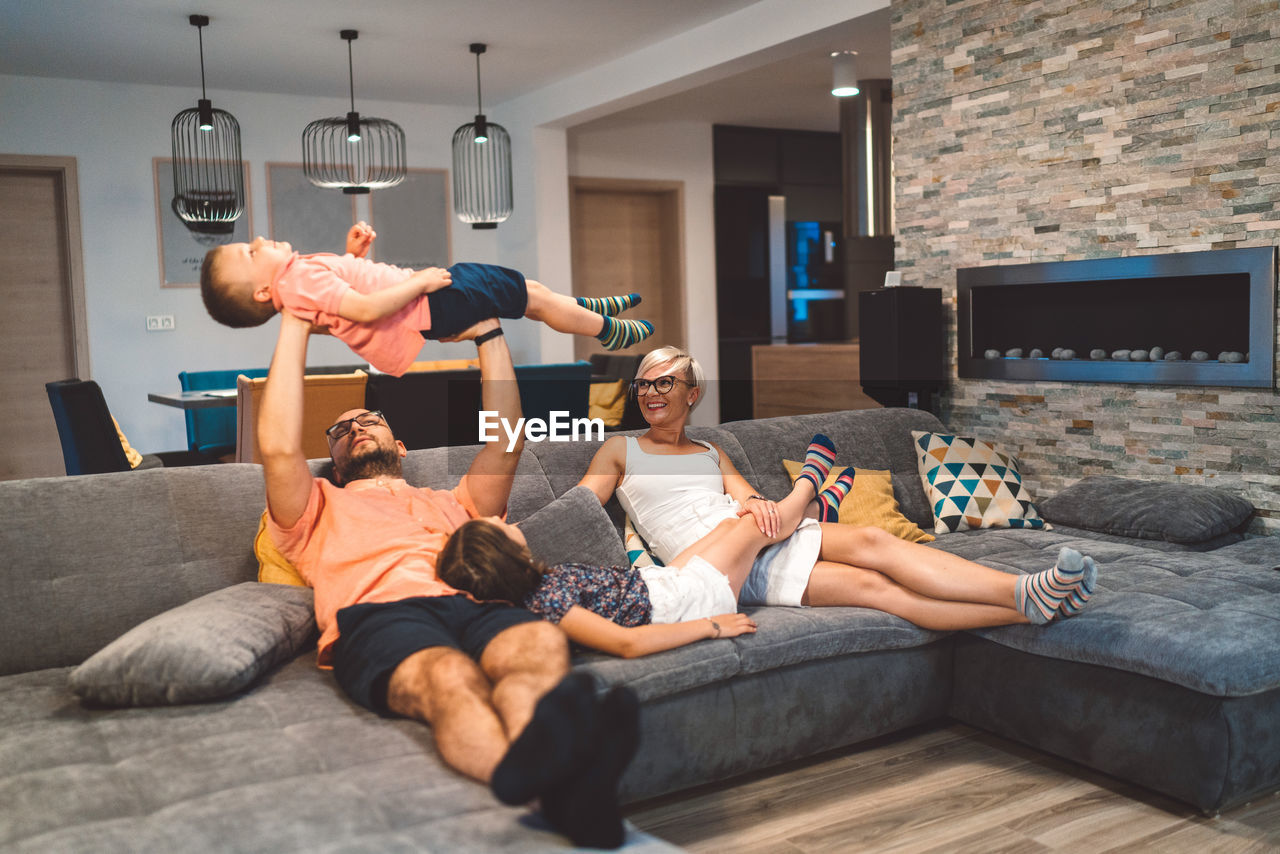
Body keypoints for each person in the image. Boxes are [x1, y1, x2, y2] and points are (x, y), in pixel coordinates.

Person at [255, 309, 636, 849]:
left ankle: (552, 779)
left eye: (368, 419)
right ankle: (556, 792)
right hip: (381, 616)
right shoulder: (313, 507)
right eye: (340, 430)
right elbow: (276, 446)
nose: (355, 428)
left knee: (537, 643)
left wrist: (489, 334)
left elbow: (508, 440)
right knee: (450, 679)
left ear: (401, 445)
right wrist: (295, 325)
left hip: (475, 605)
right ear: (334, 462)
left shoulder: (454, 501)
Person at [576, 346, 1099, 631]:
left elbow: (746, 499)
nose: (649, 393)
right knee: (879, 593)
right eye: (643, 383)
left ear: (692, 395)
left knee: (874, 542)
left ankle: (1025, 599)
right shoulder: (621, 450)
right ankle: (811, 484)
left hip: (756, 528)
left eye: (663, 383)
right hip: (723, 562)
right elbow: (578, 510)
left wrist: (757, 503)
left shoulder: (711, 451)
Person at [436, 431, 859, 657]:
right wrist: (712, 627)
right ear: (507, 556)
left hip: (664, 583)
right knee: (750, 525)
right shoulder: (549, 599)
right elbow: (627, 643)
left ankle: (811, 510)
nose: (502, 521)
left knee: (738, 519)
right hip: (684, 598)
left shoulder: (544, 583)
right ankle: (807, 490)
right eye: (497, 528)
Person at [200, 221, 653, 375]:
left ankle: (587, 309)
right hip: (432, 301)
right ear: (262, 290)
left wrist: (352, 256)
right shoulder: (294, 282)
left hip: (430, 306)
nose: (259, 240)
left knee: (528, 291)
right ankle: (607, 332)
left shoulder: (296, 287)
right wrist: (418, 283)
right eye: (250, 251)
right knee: (526, 296)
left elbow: (345, 298)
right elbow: (362, 309)